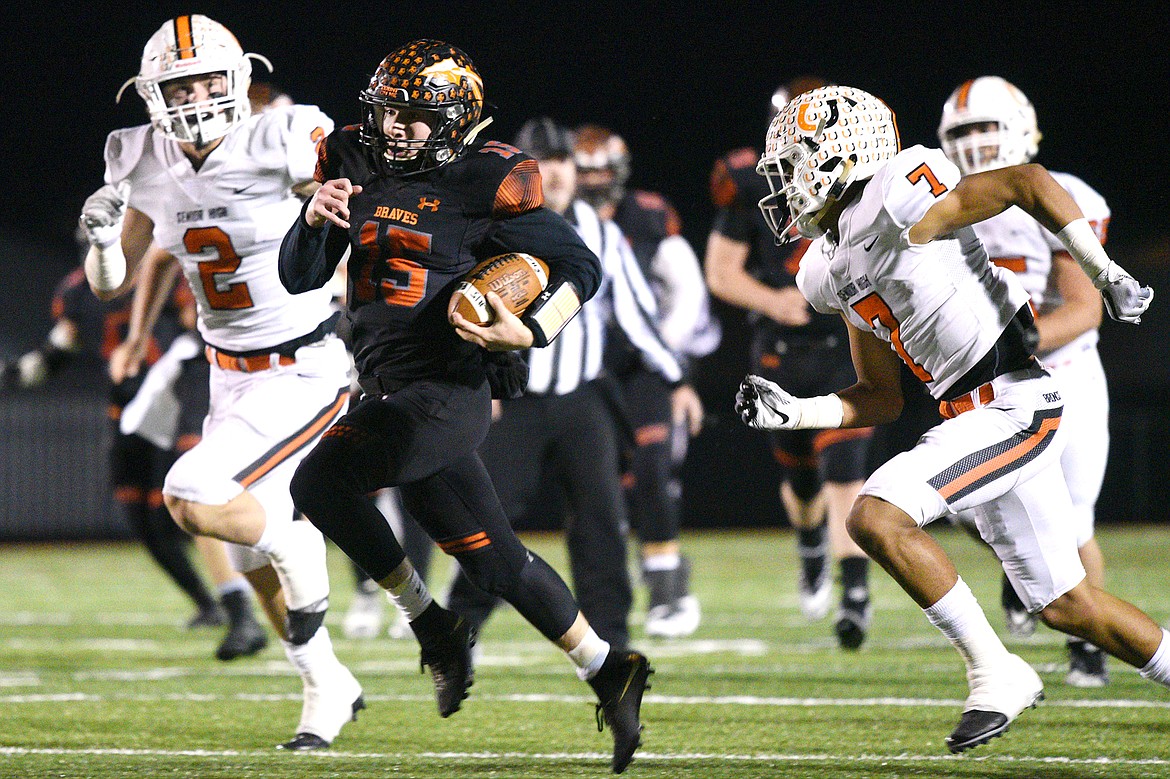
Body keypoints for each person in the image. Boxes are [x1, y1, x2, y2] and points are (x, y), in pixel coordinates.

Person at [735, 84, 1161, 754]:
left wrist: (1104, 272)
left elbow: (1027, 179)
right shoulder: (827, 264)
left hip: (1014, 400)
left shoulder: (900, 190)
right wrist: (798, 411)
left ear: (845, 153)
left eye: (797, 164)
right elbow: (881, 394)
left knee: (875, 514)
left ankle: (997, 671)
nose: (787, 184)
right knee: (1068, 606)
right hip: (972, 414)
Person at [277, 40, 651, 773]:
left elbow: (582, 265)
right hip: (384, 385)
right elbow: (298, 277)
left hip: (448, 391)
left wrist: (532, 325)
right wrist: (314, 222)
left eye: (414, 119)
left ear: (455, 120)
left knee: (318, 483)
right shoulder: (352, 157)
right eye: (388, 115)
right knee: (496, 563)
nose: (395, 131)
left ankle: (433, 627)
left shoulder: (488, 179)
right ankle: (611, 669)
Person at [80, 15, 363, 750]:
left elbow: (336, 195)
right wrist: (104, 239)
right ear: (152, 94)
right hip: (227, 376)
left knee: (192, 494)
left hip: (305, 363)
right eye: (180, 84)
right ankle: (325, 684)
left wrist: (327, 194)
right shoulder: (139, 156)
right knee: (245, 553)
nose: (197, 94)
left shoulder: (282, 131)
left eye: (209, 78)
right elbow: (113, 283)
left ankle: (301, 549)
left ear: (239, 79)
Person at [440, 117, 698, 650]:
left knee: (602, 522)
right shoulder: (492, 225)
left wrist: (677, 381)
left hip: (582, 399)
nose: (556, 173)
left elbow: (637, 317)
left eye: (563, 162)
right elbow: (457, 310)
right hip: (514, 401)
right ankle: (457, 630)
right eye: (543, 162)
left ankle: (615, 647)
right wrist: (473, 383)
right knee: (490, 522)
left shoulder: (601, 232)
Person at [938, 76, 1117, 687]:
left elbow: (1084, 308)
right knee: (966, 508)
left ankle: (1089, 645)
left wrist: (1015, 339)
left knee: (1075, 523)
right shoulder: (943, 205)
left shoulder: (1065, 196)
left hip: (1063, 375)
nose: (977, 142)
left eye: (986, 127)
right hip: (987, 387)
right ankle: (1025, 573)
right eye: (963, 132)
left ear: (1020, 126)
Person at [3, 245, 265, 661]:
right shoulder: (76, 291)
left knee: (196, 497)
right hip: (127, 407)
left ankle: (243, 609)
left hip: (177, 394)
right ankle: (210, 604)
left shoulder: (164, 271)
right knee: (141, 518)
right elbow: (57, 352)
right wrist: (14, 373)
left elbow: (199, 326)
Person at [706, 76, 875, 649]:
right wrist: (774, 299)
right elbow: (721, 273)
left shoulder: (870, 176)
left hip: (847, 350)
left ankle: (854, 593)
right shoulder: (754, 181)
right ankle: (811, 550)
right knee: (802, 483)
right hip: (782, 353)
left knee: (844, 474)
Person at [573, 123, 717, 639]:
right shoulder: (552, 220)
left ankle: (667, 588)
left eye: (601, 170)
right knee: (598, 483)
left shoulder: (646, 216)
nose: (592, 181)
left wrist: (669, 363)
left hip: (642, 366)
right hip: (585, 371)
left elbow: (687, 291)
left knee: (654, 469)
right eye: (583, 170)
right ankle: (614, 588)